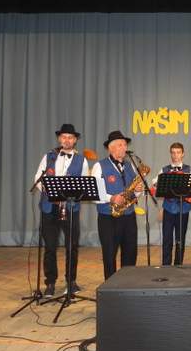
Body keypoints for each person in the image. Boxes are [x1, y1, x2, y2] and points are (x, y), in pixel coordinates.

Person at [34, 124, 89, 297]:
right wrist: (51, 192)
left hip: (70, 208)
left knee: (72, 246)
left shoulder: (82, 160)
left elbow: (85, 184)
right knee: (50, 247)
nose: (67, 140)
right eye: (64, 137)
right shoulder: (49, 156)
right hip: (49, 208)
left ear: (75, 140)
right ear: (59, 139)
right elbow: (38, 179)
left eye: (70, 137)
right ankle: (50, 283)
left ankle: (71, 282)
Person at [92, 130, 143, 280]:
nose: (124, 148)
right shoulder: (99, 166)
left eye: (125, 145)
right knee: (109, 255)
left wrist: (138, 191)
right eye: (120, 145)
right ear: (111, 148)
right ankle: (110, 286)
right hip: (108, 217)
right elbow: (94, 193)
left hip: (129, 216)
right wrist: (112, 198)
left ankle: (127, 284)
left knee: (130, 252)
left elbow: (135, 192)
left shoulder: (130, 165)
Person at [153, 142, 191, 265]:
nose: (175, 155)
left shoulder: (189, 169)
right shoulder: (164, 169)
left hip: (184, 209)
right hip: (168, 209)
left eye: (178, 152)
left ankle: (178, 265)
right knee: (167, 239)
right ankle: (166, 266)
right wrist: (157, 183)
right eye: (173, 153)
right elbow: (154, 183)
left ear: (183, 154)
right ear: (170, 154)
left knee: (180, 239)